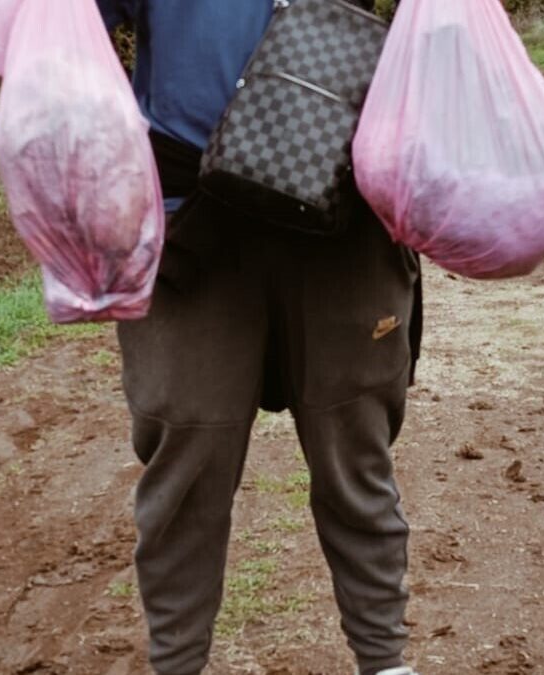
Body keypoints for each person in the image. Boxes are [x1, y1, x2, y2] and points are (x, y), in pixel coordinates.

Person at [94, 2, 422, 674]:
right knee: (184, 451)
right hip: (190, 224)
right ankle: (178, 663)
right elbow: (68, 32)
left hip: (349, 216)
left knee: (355, 452)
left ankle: (385, 661)